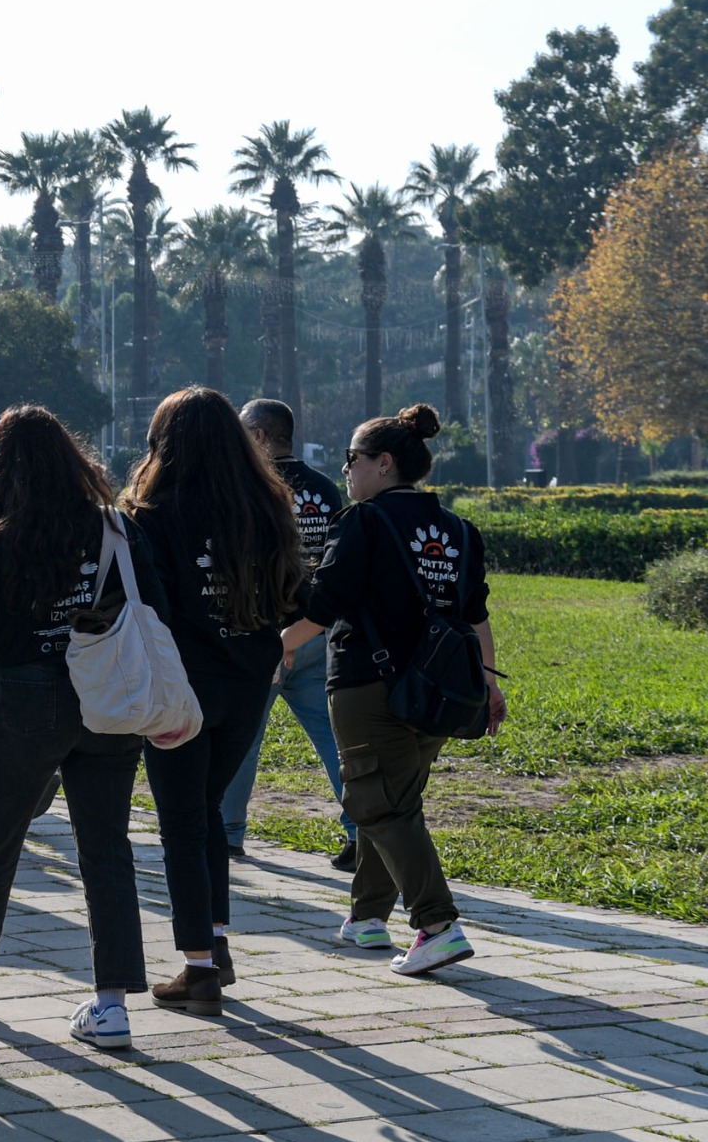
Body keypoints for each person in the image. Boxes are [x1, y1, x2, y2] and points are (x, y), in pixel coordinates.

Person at [0, 405, 163, 1051]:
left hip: (27, 696)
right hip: (109, 698)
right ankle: (111, 1005)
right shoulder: (114, 527)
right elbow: (150, 604)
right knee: (106, 849)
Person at [296, 404, 503, 977]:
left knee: (377, 801)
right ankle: (367, 916)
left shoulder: (361, 521)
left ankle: (437, 925)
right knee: (393, 800)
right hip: (441, 690)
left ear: (384, 463)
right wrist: (489, 681)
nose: (345, 469)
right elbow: (475, 614)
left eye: (353, 458)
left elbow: (325, 602)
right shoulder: (459, 529)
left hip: (368, 684)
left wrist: (281, 645)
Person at [123, 388, 306, 1016]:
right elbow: (296, 597)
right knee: (206, 814)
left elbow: (145, 605)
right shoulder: (266, 508)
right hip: (249, 682)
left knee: (182, 821)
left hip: (180, 687)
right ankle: (216, 944)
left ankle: (199, 968)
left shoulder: (151, 514)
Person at [222, 398, 350, 867]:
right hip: (316, 631)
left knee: (242, 740)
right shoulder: (328, 489)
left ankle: (228, 833)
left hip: (266, 636)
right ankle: (362, 832)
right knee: (335, 740)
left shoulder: (249, 488)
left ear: (259, 436)